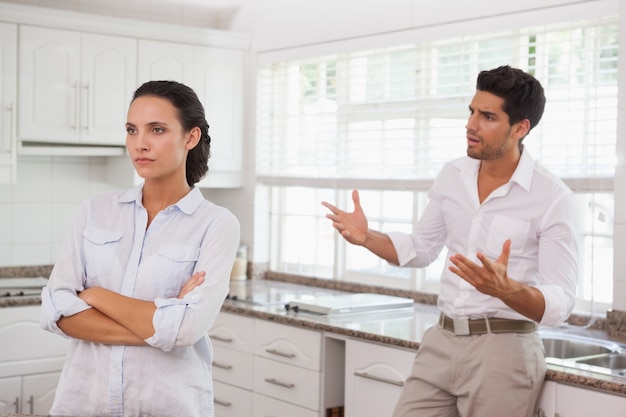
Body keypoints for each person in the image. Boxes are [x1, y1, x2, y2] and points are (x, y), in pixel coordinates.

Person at [322, 66, 578, 417]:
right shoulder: (453, 175)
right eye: (472, 111)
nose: (471, 125)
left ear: (520, 128)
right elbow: (421, 248)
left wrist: (507, 290)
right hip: (442, 338)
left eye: (487, 116)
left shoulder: (552, 197)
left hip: (504, 350)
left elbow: (561, 301)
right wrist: (368, 238)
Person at [39, 80, 240, 417]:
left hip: (168, 405)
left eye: (156, 130)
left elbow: (189, 328)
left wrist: (96, 296)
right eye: (132, 130)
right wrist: (164, 323)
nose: (140, 144)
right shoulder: (95, 211)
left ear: (190, 137)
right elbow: (55, 312)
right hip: (84, 403)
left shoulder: (216, 224)